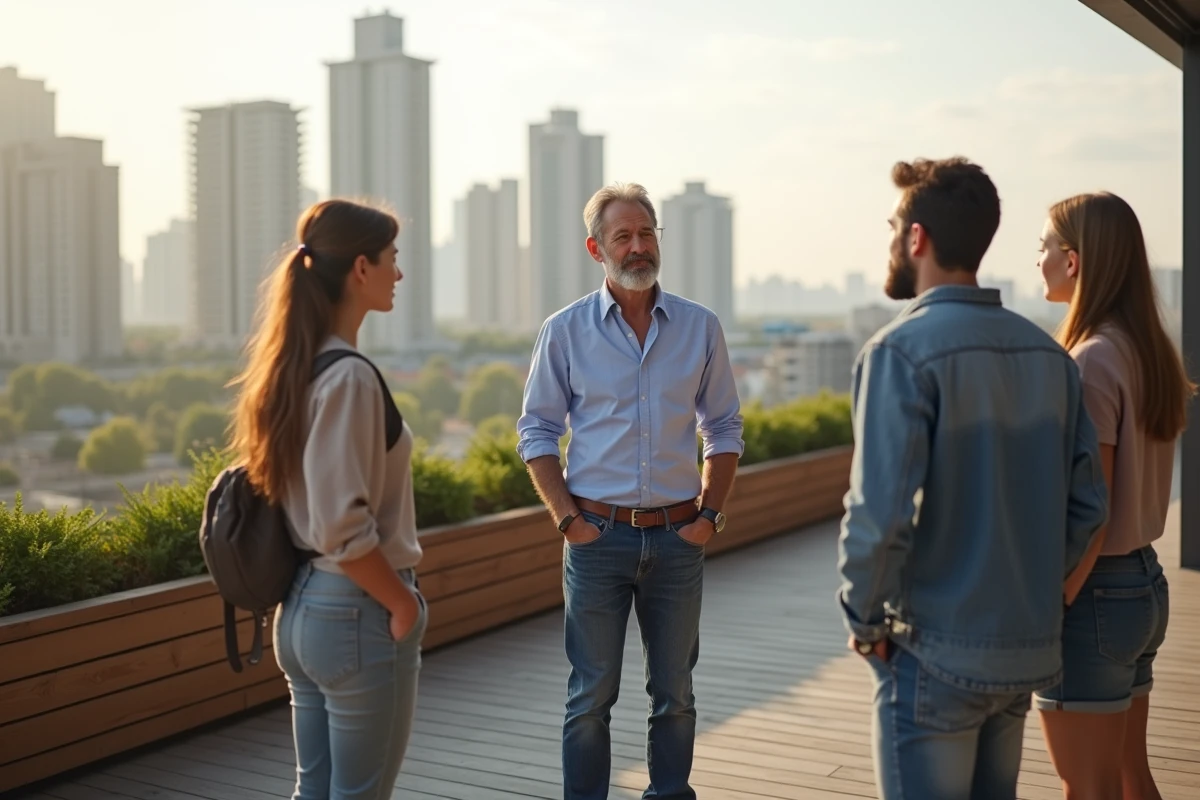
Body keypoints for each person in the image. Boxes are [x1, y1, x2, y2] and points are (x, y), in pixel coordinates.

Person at [836, 157, 1109, 800]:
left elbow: (879, 514)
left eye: (893, 225)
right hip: (1024, 652)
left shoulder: (898, 353)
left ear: (916, 238)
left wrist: (865, 620)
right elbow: (1088, 508)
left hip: (933, 657)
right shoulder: (1050, 357)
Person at [516, 182, 743, 800]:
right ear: (597, 248)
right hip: (595, 539)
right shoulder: (564, 332)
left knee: (676, 691)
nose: (638, 246)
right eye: (623, 236)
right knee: (590, 695)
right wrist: (568, 522)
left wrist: (709, 516)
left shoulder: (700, 327)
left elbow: (723, 426)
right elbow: (536, 430)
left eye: (647, 233)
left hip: (678, 538)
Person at [228, 199, 428, 800]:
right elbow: (343, 526)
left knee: (314, 791)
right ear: (360, 268)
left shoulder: (297, 366)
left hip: (304, 610)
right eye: (392, 259)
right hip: (356, 609)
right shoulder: (348, 377)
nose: (399, 273)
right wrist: (403, 605)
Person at [1034, 192, 1194, 800]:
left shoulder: (1089, 361)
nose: (1040, 260)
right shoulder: (1144, 349)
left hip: (1094, 592)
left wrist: (1051, 605)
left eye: (1044, 247)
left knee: (1089, 787)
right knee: (1131, 778)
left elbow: (1088, 509)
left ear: (1073, 261)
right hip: (1142, 583)